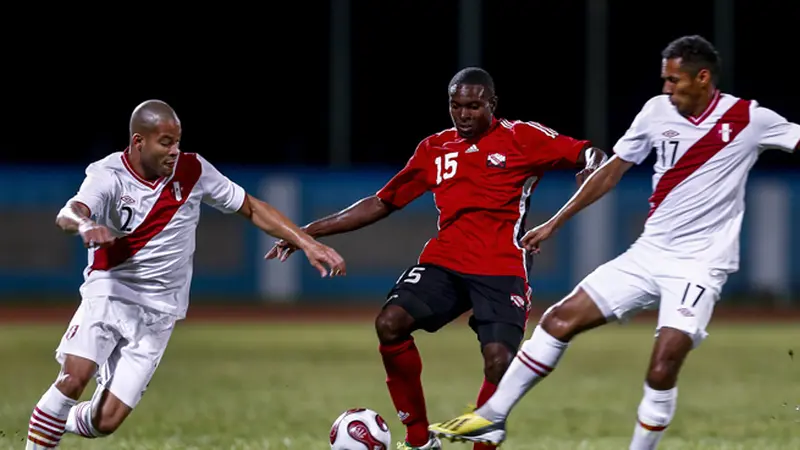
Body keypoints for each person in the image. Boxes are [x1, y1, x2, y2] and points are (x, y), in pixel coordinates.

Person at [428, 35, 800, 449]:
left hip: (700, 264)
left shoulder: (750, 118)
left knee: (662, 366)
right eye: (665, 80)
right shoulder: (656, 113)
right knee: (557, 321)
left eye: (674, 81)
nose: (666, 89)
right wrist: (555, 221)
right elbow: (612, 171)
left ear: (703, 77)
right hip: (648, 254)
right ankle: (491, 417)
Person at [266, 67, 607, 450]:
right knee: (390, 323)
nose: (463, 114)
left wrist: (592, 164)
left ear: (492, 105)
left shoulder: (522, 138)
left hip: (502, 267)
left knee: (499, 362)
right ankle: (418, 440)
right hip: (444, 262)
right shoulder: (435, 149)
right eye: (456, 105)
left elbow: (587, 150)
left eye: (474, 106)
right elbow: (382, 202)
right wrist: (307, 232)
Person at [24, 100, 347, 449]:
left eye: (177, 141)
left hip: (160, 311)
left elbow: (251, 207)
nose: (174, 151)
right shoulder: (107, 175)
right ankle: (45, 430)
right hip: (110, 291)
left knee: (105, 421)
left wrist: (307, 242)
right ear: (138, 142)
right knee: (74, 378)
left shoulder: (194, 170)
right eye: (165, 142)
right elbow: (69, 211)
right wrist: (86, 224)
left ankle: (52, 420)